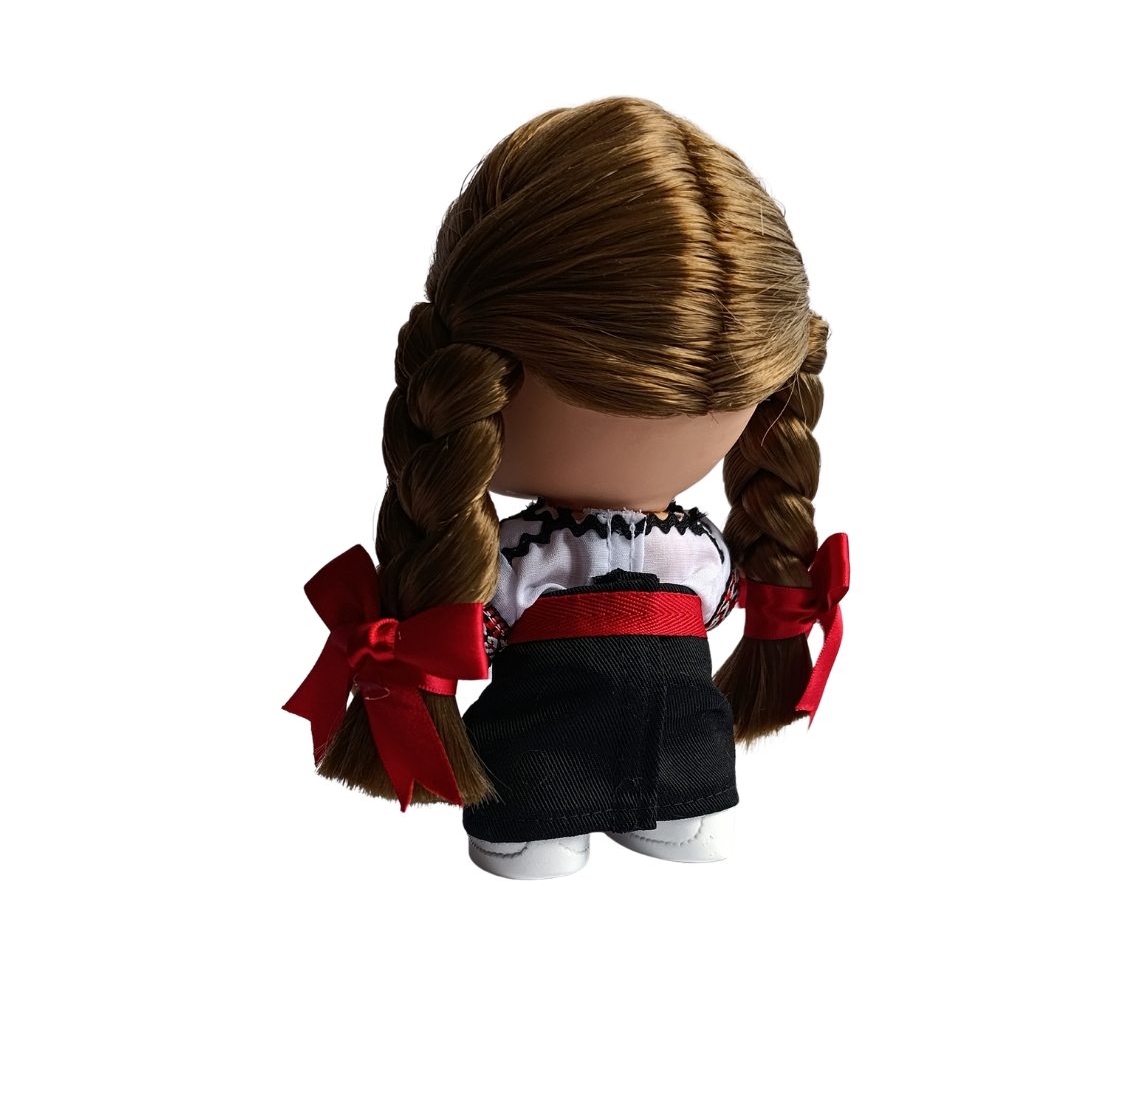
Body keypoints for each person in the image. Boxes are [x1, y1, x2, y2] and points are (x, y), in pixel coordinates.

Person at [286, 96, 848, 879]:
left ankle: (673, 806)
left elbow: (712, 600)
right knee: (535, 783)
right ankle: (542, 820)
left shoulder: (685, 551)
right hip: (542, 744)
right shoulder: (529, 558)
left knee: (683, 774)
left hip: (683, 745)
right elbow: (489, 629)